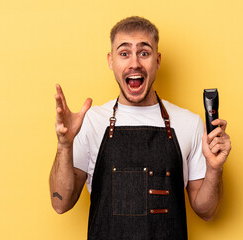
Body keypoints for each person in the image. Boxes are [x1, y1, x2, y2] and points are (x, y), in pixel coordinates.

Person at [49, 16, 231, 240]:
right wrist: (64, 146)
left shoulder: (189, 123)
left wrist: (215, 168)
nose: (134, 63)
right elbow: (60, 203)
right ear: (111, 61)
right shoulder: (91, 122)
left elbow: (207, 211)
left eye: (144, 53)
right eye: (124, 53)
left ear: (157, 60)